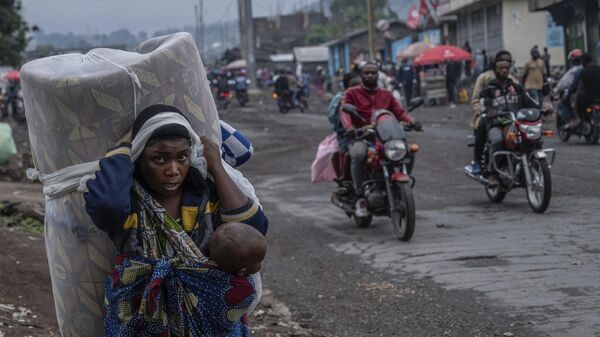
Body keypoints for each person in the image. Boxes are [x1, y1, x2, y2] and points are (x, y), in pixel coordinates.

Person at [84, 104, 269, 336]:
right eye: (158, 159)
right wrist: (124, 144)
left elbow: (253, 230)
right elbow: (106, 206)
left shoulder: (205, 195)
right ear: (140, 156)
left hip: (206, 317)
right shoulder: (130, 200)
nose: (173, 170)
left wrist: (216, 165)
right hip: (140, 318)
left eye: (182, 157)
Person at [341, 62, 421, 217]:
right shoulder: (352, 93)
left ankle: (397, 189)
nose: (370, 75)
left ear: (378, 75)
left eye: (373, 73)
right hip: (363, 137)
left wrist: (412, 121)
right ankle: (359, 197)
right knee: (358, 154)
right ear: (361, 75)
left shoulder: (386, 94)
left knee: (408, 152)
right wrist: (349, 127)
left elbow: (399, 112)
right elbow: (344, 110)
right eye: (367, 73)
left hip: (385, 138)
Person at [471, 55, 538, 183]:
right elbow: (482, 103)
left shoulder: (516, 87)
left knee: (532, 137)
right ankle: (491, 172)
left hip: (516, 123)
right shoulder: (489, 89)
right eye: (500, 68)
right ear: (495, 70)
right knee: (497, 140)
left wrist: (543, 107)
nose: (503, 70)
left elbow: (529, 101)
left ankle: (528, 165)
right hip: (497, 123)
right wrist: (489, 111)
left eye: (506, 68)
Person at [466, 50, 518, 175]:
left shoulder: (512, 81)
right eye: (502, 63)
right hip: (488, 117)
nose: (505, 68)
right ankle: (478, 162)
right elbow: (476, 100)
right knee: (484, 126)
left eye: (508, 63)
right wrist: (483, 111)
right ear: (496, 64)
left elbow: (522, 97)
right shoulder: (484, 78)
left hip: (508, 118)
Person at [326, 72, 362, 152]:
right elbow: (331, 117)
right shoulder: (341, 98)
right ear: (347, 87)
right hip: (345, 134)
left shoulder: (364, 96)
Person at [554, 49, 582, 125]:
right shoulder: (585, 68)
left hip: (576, 93)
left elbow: (562, 84)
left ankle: (571, 120)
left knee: (562, 103)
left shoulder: (573, 71)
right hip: (587, 94)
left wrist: (555, 91)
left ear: (573, 60)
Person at [571, 52, 600, 128]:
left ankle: (579, 119)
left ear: (584, 61)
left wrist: (576, 97)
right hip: (598, 97)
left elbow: (580, 87)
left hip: (588, 98)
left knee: (576, 102)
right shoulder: (598, 69)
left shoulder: (583, 72)